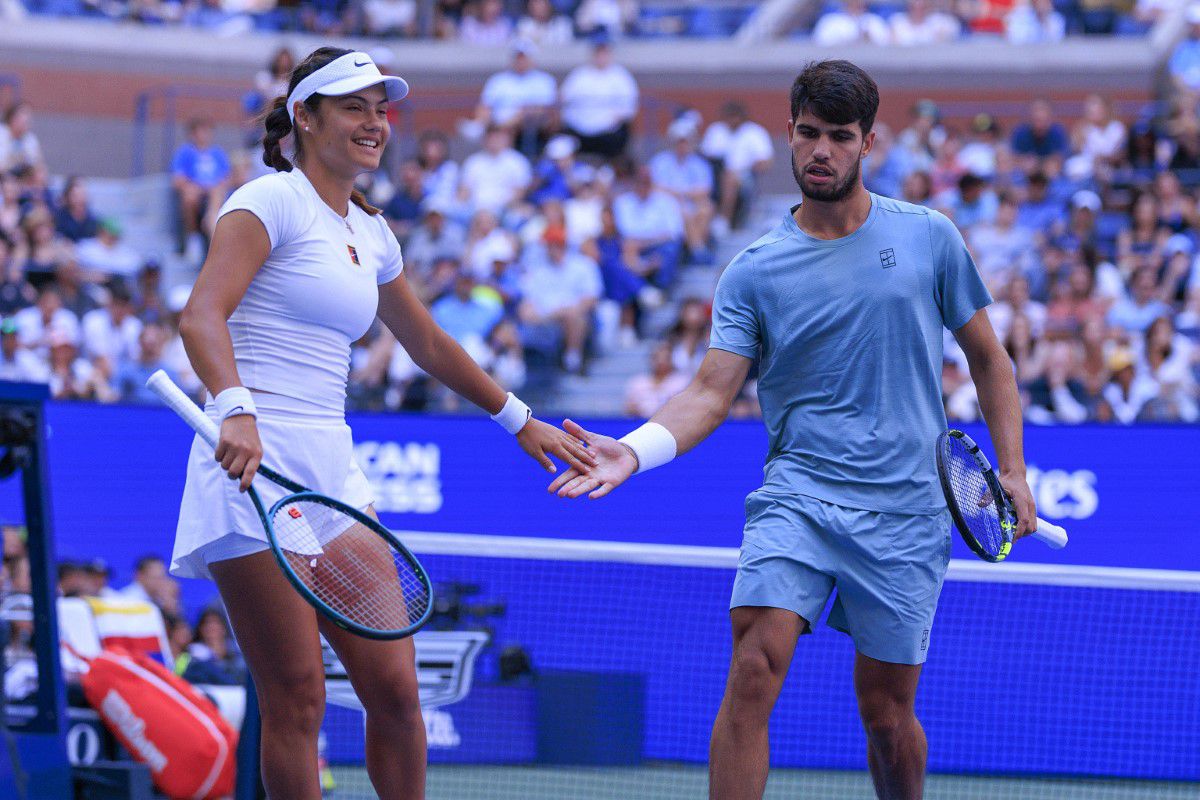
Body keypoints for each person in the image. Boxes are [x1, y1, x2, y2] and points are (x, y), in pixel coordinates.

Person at [548, 60, 1038, 800]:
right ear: (789, 132)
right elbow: (712, 391)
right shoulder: (754, 271)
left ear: (868, 141)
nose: (821, 151)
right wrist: (636, 450)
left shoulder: (929, 238)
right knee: (753, 667)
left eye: (840, 137)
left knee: (886, 714)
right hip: (798, 498)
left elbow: (990, 362)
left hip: (905, 512)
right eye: (809, 133)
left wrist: (1014, 471)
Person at [170, 47, 594, 800]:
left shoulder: (373, 232)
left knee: (399, 694)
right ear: (305, 116)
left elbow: (427, 342)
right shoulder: (265, 202)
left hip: (334, 470)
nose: (374, 123)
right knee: (296, 699)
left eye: (380, 108)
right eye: (353, 107)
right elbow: (202, 314)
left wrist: (518, 419)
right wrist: (234, 408)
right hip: (248, 467)